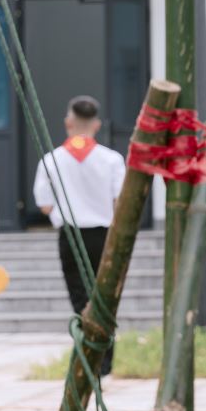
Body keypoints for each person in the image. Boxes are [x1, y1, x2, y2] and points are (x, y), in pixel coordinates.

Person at [33, 96, 125, 375]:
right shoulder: (111, 159)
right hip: (104, 236)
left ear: (68, 123)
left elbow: (44, 205)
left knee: (79, 299)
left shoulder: (51, 160)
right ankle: (106, 363)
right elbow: (120, 202)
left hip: (71, 235)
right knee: (104, 299)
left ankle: (86, 360)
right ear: (96, 125)